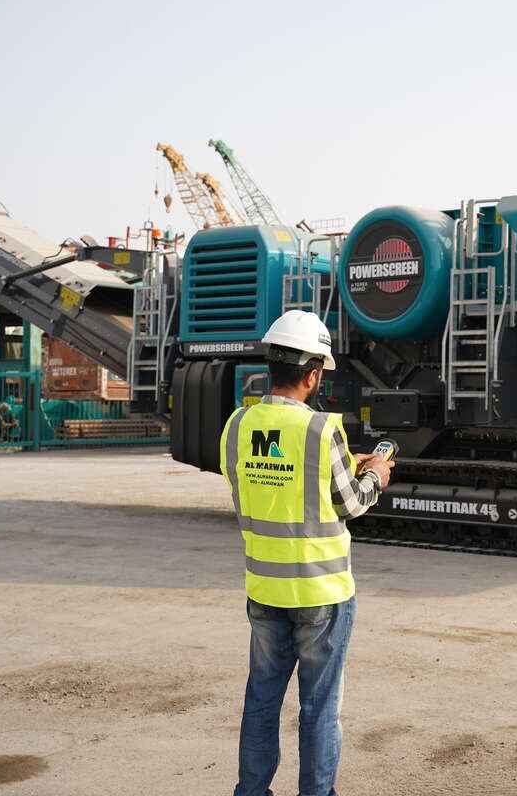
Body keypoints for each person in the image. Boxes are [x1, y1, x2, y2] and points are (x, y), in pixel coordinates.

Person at [219, 310, 394, 796]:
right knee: (319, 708)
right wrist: (374, 473)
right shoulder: (323, 432)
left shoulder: (236, 426)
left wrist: (335, 468)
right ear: (313, 373)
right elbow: (352, 503)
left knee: (261, 699)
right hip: (321, 591)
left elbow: (256, 487)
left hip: (264, 588)